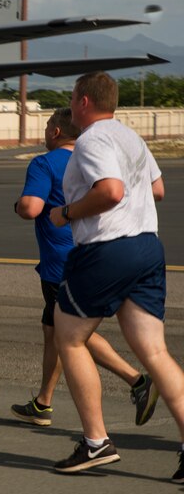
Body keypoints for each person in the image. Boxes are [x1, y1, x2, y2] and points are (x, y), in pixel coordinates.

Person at [47, 71, 184, 480]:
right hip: (147, 246)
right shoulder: (131, 137)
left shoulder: (92, 139)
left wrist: (66, 213)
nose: (70, 105)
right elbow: (157, 190)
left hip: (109, 249)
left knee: (68, 336)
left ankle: (95, 442)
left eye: (72, 97)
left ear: (85, 101)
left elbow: (111, 191)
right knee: (155, 352)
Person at [12, 109, 152, 427]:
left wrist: (18, 204)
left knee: (75, 335)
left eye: (47, 125)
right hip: (99, 251)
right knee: (53, 332)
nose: (45, 130)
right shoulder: (98, 157)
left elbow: (31, 208)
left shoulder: (44, 163)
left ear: (57, 131)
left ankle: (138, 382)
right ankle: (43, 403)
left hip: (60, 263)